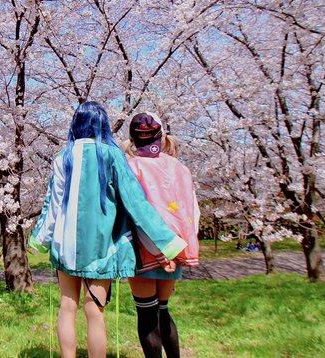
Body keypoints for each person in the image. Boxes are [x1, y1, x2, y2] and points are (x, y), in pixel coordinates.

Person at [30, 102, 187, 358]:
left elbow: (52, 206)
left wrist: (39, 240)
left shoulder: (63, 157)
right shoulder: (112, 155)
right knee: (95, 311)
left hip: (65, 247)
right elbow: (136, 202)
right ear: (103, 124)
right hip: (101, 249)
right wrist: (167, 242)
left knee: (67, 306)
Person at [121, 112, 200, 358]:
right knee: (163, 311)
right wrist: (179, 247)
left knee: (147, 314)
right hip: (177, 247)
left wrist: (160, 250)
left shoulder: (130, 168)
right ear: (162, 136)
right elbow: (193, 211)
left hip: (145, 251)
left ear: (132, 139)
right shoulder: (180, 169)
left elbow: (138, 214)